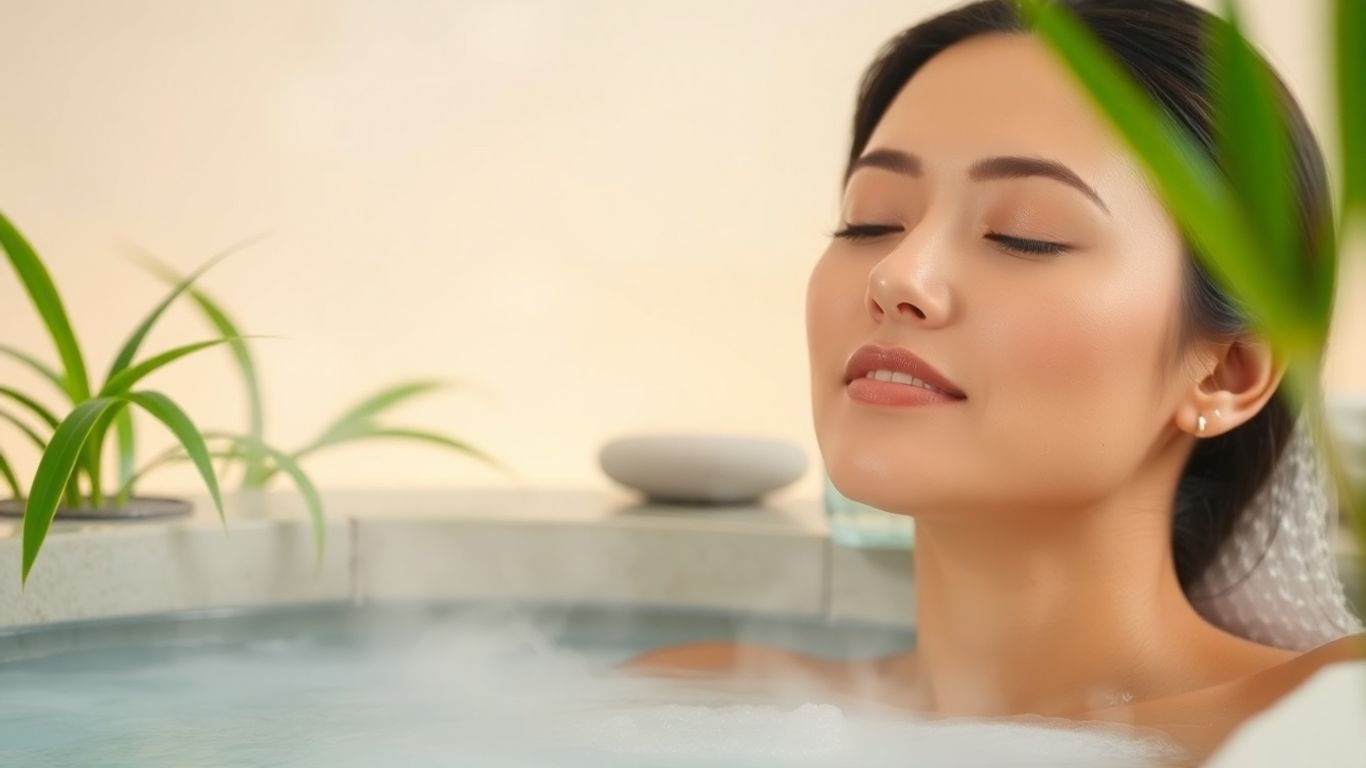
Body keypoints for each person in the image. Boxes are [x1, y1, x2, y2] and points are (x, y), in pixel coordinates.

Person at [623, 0, 1365, 762]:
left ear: (1228, 373)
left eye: (1024, 236)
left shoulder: (1333, 721)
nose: (895, 274)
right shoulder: (673, 704)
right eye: (870, 222)